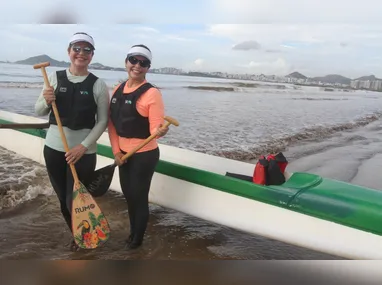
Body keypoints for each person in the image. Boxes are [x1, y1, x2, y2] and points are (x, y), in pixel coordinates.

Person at [34, 32, 110, 251]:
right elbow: (38, 110)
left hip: (83, 153)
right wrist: (46, 100)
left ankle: (86, 235)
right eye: (77, 48)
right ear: (69, 52)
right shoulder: (55, 78)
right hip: (54, 150)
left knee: (74, 200)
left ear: (92, 55)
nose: (81, 53)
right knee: (63, 201)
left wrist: (82, 146)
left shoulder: (98, 84)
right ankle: (79, 237)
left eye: (87, 50)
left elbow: (103, 121)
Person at [107, 44, 169, 249]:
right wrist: (116, 151)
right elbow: (112, 124)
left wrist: (160, 131)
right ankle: (132, 234)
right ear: (126, 62)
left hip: (144, 155)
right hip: (123, 154)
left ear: (148, 68)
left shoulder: (152, 94)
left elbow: (154, 129)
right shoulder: (118, 88)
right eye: (133, 60)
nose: (137, 65)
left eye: (143, 63)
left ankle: (136, 242)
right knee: (128, 196)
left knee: (138, 198)